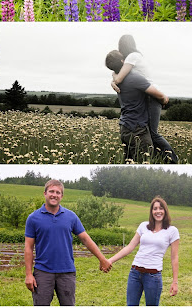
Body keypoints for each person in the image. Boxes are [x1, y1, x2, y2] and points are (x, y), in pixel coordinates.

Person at [24, 180, 112, 306]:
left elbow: (86, 239)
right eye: (51, 191)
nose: (54, 195)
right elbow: (28, 247)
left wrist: (102, 259)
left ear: (62, 196)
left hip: (66, 272)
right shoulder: (33, 218)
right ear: (45, 193)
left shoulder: (71, 217)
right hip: (43, 272)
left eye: (58, 192)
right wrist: (28, 275)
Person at [110, 35, 178, 163]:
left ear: (122, 46)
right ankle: (160, 158)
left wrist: (114, 82)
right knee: (148, 132)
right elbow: (117, 73)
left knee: (153, 133)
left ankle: (173, 160)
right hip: (149, 95)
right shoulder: (135, 57)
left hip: (152, 96)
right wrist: (113, 76)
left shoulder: (132, 56)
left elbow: (119, 77)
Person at [108, 196, 179, 306]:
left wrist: (175, 282)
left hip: (153, 276)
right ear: (151, 211)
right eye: (155, 209)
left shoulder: (172, 231)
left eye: (161, 208)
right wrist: (110, 260)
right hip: (135, 273)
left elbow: (174, 258)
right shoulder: (143, 226)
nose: (158, 211)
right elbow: (129, 247)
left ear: (165, 210)